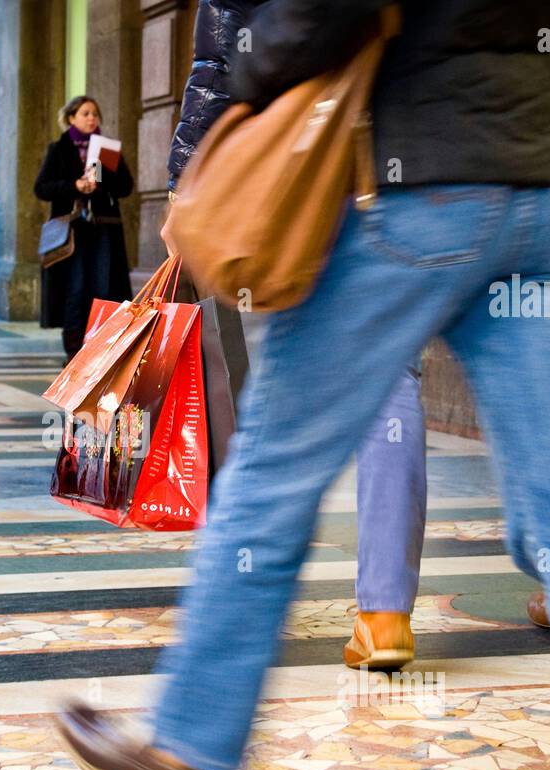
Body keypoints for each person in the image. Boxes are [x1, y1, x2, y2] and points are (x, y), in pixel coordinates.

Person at [55, 0, 550, 770]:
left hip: (404, 193)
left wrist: (248, 67)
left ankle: (179, 750)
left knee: (274, 475)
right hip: (542, 202)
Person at [165, 0, 425, 670]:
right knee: (395, 384)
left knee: (278, 410)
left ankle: (221, 654)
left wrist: (184, 184)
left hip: (306, 172)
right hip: (413, 171)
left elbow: (219, 63)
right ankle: (386, 614)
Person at [35, 96, 133, 361]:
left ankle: (100, 350)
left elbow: (125, 187)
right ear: (71, 118)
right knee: (76, 289)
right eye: (85, 113)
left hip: (103, 229)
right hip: (73, 232)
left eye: (95, 114)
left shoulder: (106, 149)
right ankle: (74, 351)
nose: (91, 118)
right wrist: (74, 186)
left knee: (104, 289)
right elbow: (42, 188)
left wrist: (100, 179)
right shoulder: (59, 149)